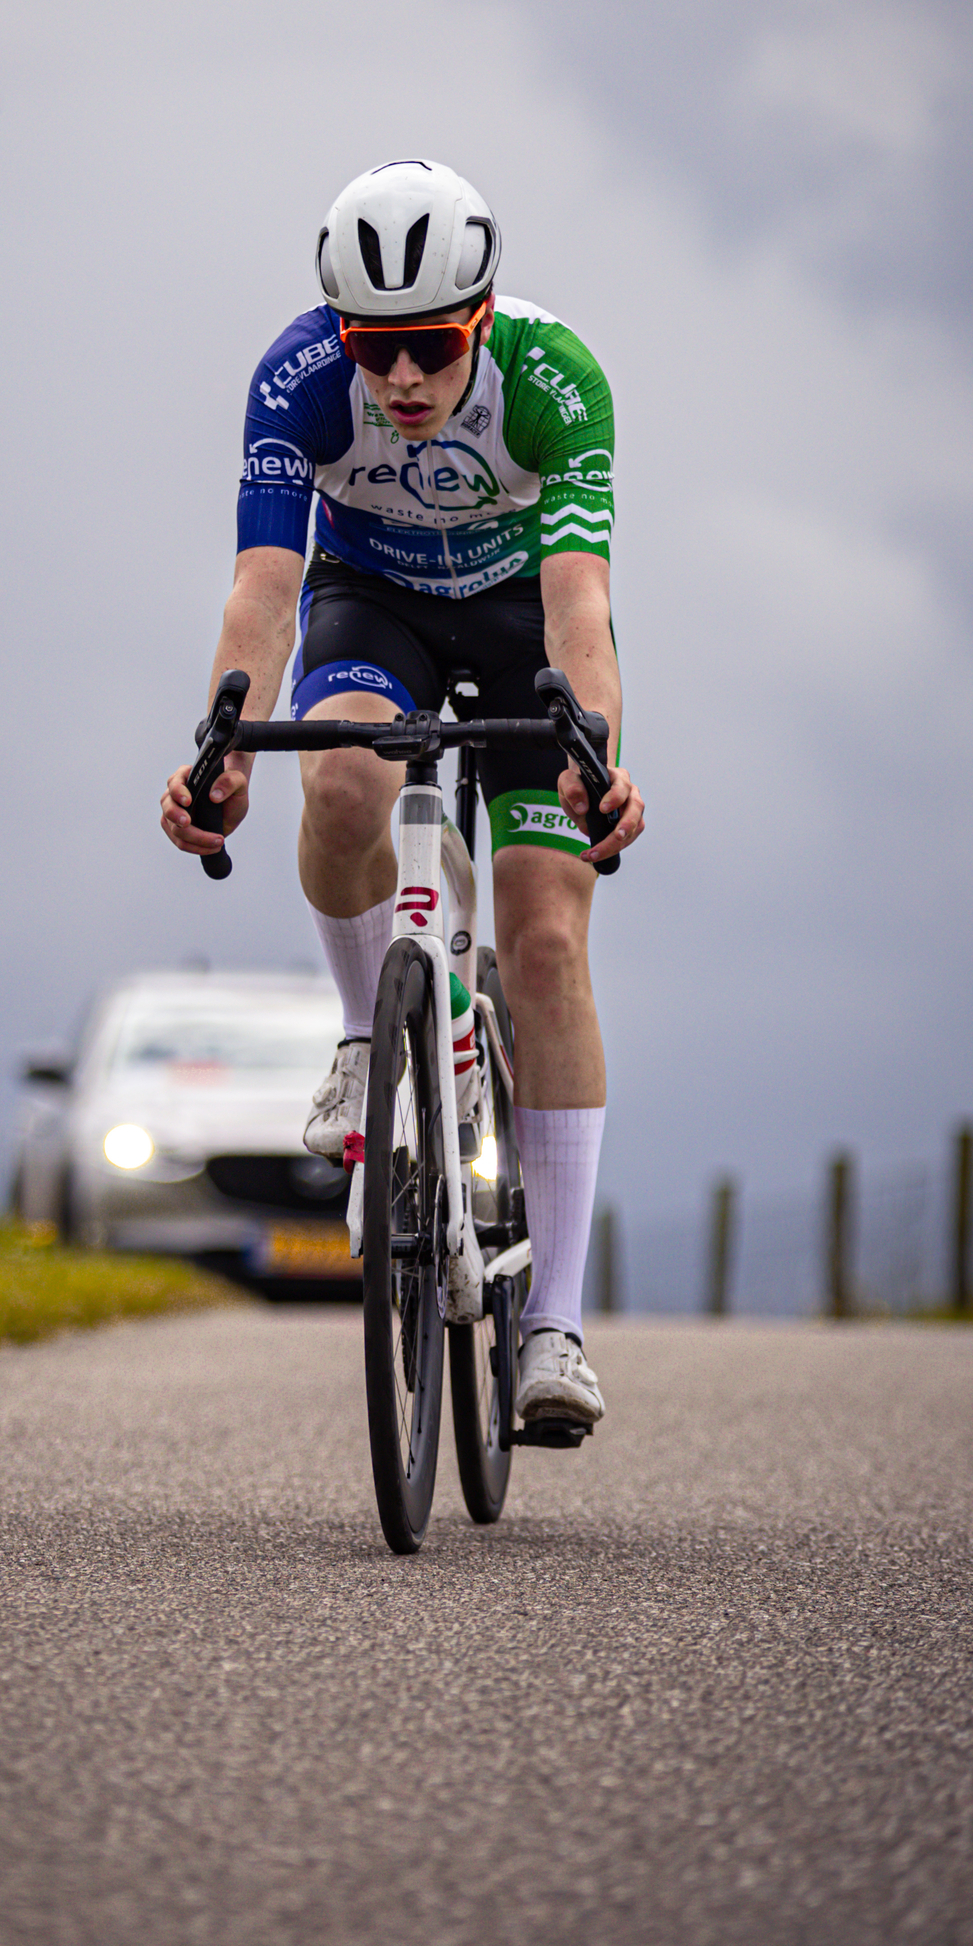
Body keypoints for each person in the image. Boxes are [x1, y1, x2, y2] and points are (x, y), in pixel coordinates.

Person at [161, 158, 644, 1430]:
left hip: (515, 619)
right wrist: (217, 749)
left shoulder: (553, 379)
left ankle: (554, 1330)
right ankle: (367, 1037)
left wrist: (593, 754)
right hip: (371, 605)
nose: (403, 383)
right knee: (334, 778)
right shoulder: (299, 378)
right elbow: (263, 595)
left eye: (430, 347)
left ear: (478, 317)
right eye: (375, 351)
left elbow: (577, 604)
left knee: (544, 935)